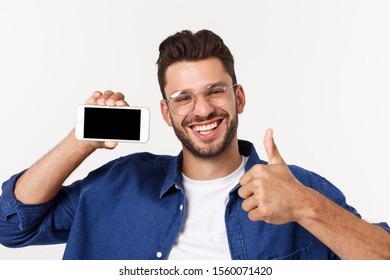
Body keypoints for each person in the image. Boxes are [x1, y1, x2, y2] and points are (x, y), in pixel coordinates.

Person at [0, 30, 389, 260]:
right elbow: (11, 225)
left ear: (239, 98)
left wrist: (306, 207)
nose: (202, 110)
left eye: (215, 92)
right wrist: (80, 140)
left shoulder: (299, 190)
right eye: (183, 98)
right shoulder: (118, 185)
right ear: (167, 113)